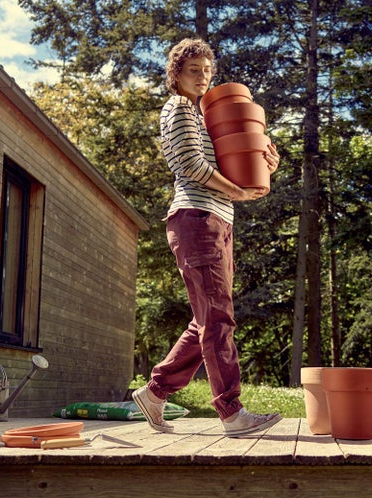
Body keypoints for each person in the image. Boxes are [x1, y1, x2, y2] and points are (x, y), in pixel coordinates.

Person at [133, 38, 282, 437]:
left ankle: (155, 393)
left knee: (208, 318)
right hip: (196, 219)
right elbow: (190, 164)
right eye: (194, 70)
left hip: (216, 219)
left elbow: (231, 163)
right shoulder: (179, 108)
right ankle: (231, 413)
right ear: (176, 74)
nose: (202, 77)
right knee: (216, 318)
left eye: (207, 71)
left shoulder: (203, 118)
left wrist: (265, 162)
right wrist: (237, 192)